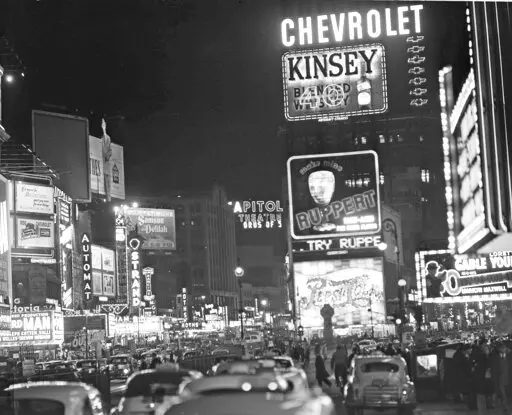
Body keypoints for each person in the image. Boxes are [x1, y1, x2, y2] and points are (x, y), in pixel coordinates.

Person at [490, 342, 511, 414]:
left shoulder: (509, 357)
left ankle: (503, 403)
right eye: (502, 348)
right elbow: (494, 369)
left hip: (508, 378)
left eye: (505, 348)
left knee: (507, 393)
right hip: (500, 379)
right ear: (499, 350)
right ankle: (505, 406)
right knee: (503, 394)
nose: (504, 349)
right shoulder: (496, 358)